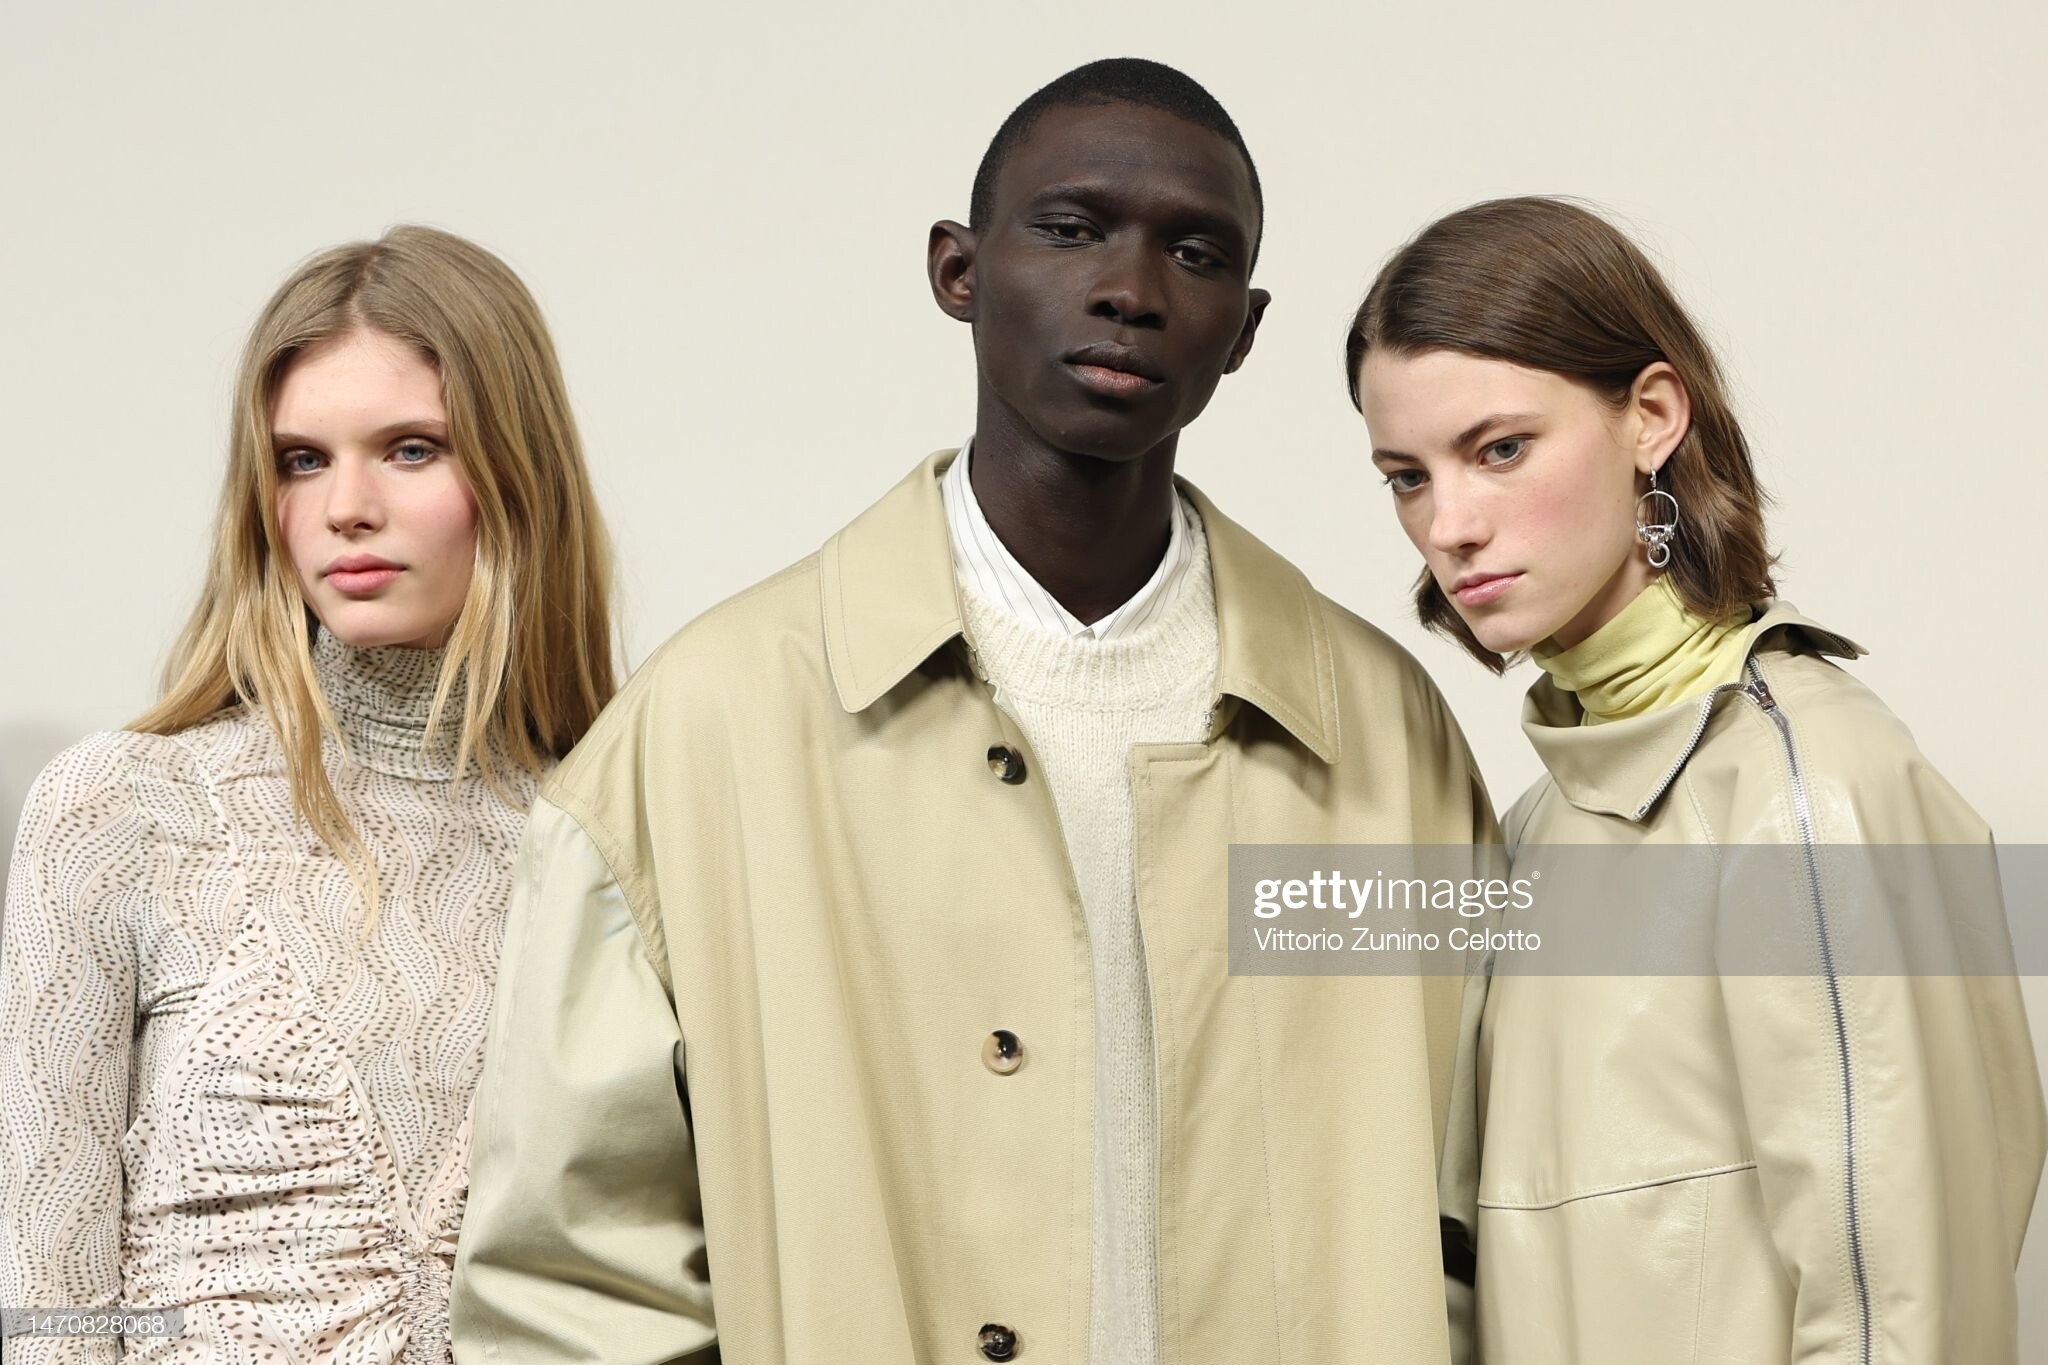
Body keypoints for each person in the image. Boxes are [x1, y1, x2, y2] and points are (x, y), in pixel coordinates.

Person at [450, 58, 1495, 1365]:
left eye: (1195, 253)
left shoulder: (1383, 737)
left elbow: (1491, 1209)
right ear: (957, 270)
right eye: (1070, 229)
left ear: (1244, 328)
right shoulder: (708, 730)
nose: (1130, 289)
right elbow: (570, 1286)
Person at [1345, 194, 2047, 1362]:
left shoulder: (1804, 788)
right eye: (1404, 477)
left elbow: (1901, 1317)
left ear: (1650, 417)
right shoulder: (1532, 824)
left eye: (1498, 449)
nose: (1448, 524)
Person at [0, 224, 617, 1362]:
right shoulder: (127, 809)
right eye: (301, 460)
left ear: (517, 473)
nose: (347, 507)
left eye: (412, 449)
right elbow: (45, 1307)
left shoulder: (614, 839)